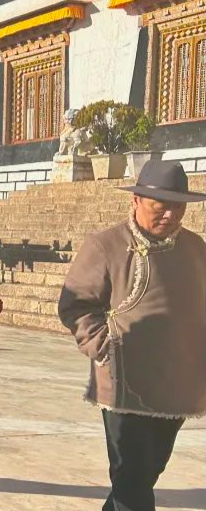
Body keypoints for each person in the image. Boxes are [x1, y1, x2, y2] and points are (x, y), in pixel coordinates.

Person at [59, 159, 206, 511]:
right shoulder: (105, 245)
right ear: (136, 200)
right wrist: (103, 344)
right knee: (131, 477)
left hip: (177, 383)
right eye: (161, 206)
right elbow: (75, 305)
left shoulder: (196, 248)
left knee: (148, 470)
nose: (170, 215)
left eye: (179, 206)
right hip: (125, 381)